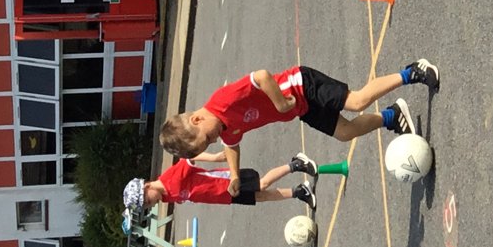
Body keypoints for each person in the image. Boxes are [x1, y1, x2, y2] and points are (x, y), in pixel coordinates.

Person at [159, 59, 440, 157]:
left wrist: (280, 102)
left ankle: (412, 72)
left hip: (300, 85)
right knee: (344, 133)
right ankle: (391, 116)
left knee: (356, 101)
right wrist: (234, 175)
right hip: (301, 109)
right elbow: (231, 147)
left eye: (207, 137)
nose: (214, 139)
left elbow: (261, 76)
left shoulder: (222, 101)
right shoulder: (224, 129)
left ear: (197, 118)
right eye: (209, 143)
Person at [126, 149, 318, 212]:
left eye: (148, 200)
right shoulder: (166, 196)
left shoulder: (169, 179)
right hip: (224, 196)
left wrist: (216, 157)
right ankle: (299, 192)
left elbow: (189, 158)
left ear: (147, 185)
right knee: (260, 197)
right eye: (147, 205)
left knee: (262, 184)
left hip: (225, 182)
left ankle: (296, 164)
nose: (151, 204)